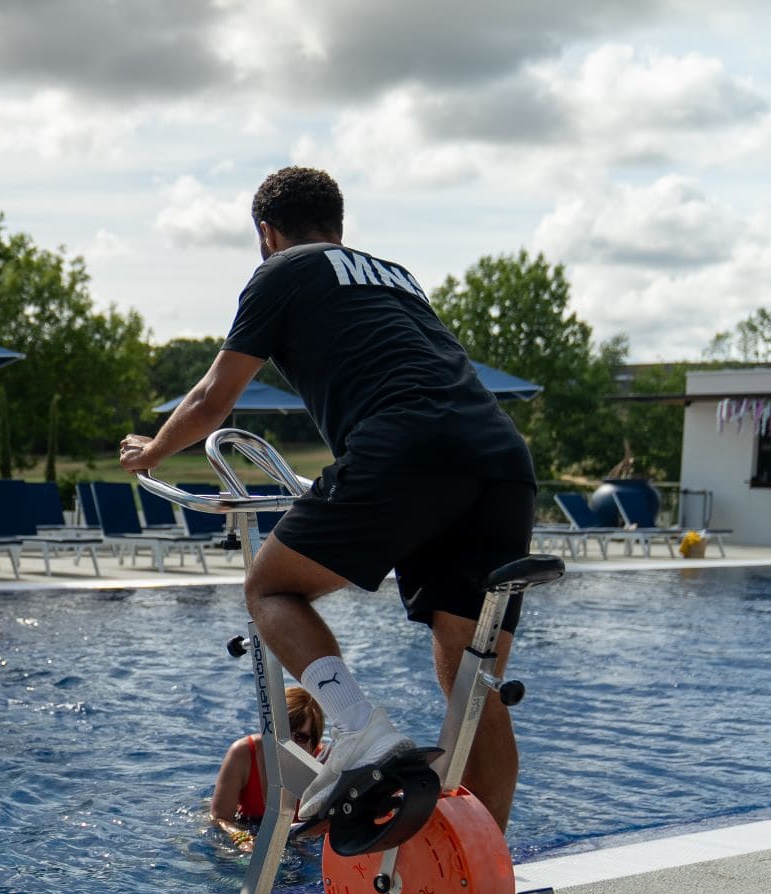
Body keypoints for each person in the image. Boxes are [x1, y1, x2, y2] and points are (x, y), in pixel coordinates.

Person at [120, 166, 536, 830]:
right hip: (502, 462)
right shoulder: (394, 274)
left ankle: (358, 730)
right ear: (339, 226)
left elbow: (210, 400)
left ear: (267, 234)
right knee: (474, 683)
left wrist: (150, 453)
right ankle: (478, 882)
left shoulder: (281, 270)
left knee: (269, 589)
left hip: (405, 448)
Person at [210, 687, 324, 849]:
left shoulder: (324, 765)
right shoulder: (243, 753)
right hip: (248, 826)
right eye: (282, 734)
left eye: (300, 737)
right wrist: (241, 838)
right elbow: (219, 818)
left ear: (313, 744)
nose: (287, 745)